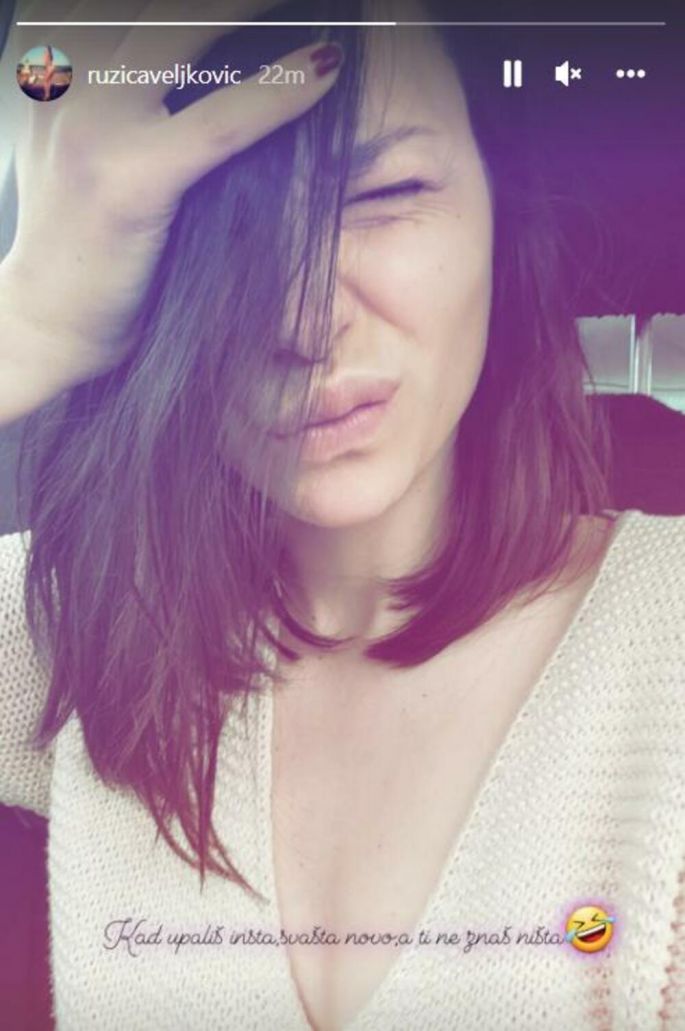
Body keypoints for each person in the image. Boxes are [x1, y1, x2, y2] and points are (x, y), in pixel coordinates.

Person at [0, 1, 684, 1029]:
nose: (305, 322)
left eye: (387, 193)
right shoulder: (77, 620)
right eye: (211, 235)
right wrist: (28, 326)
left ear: (499, 206)